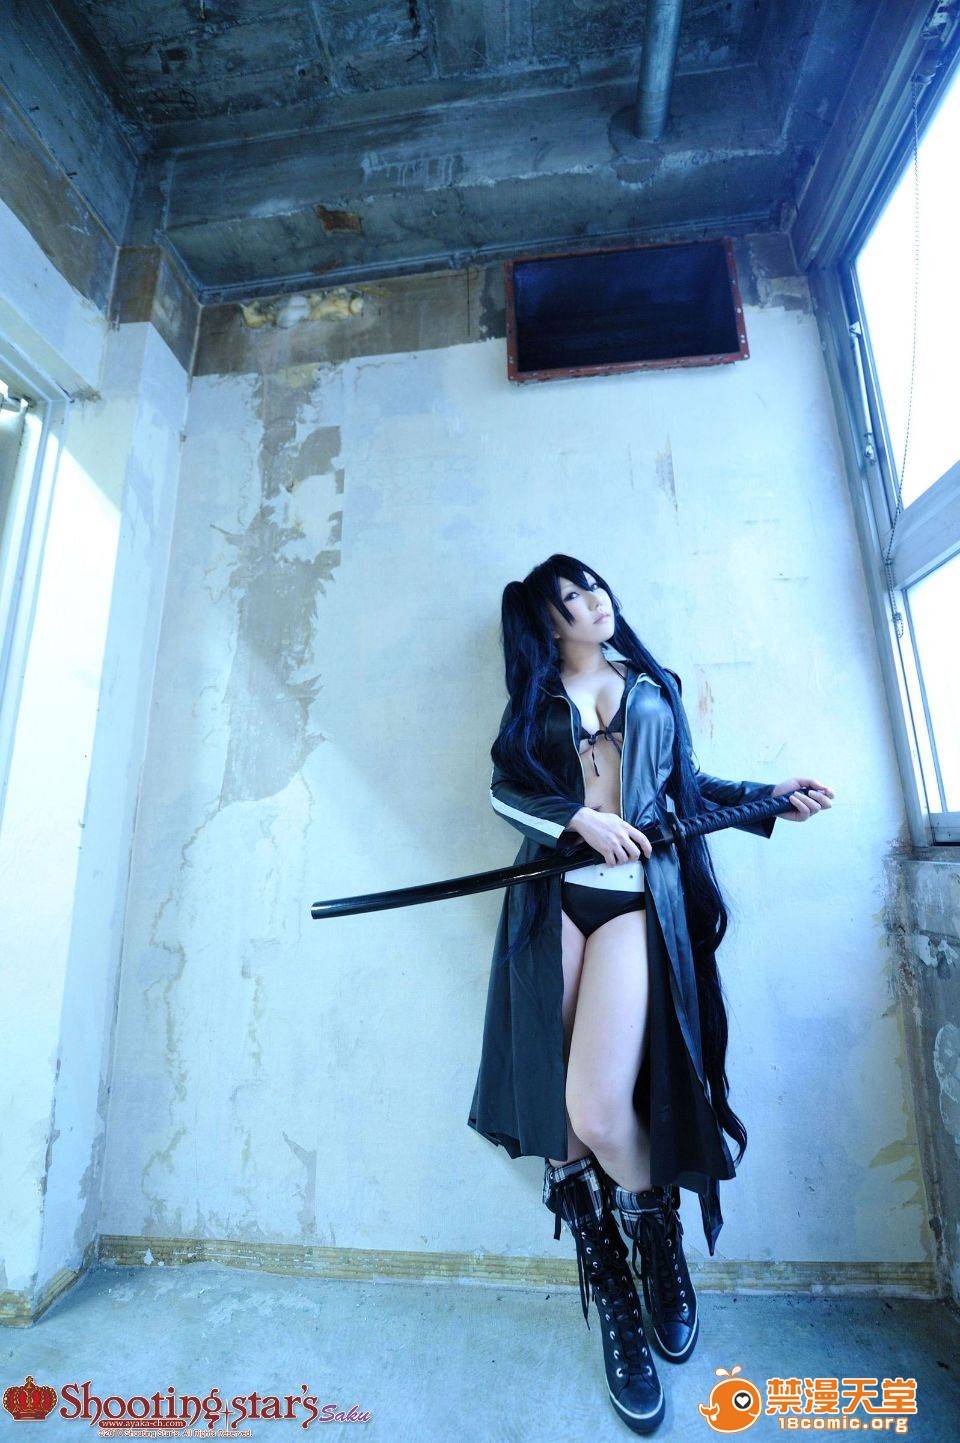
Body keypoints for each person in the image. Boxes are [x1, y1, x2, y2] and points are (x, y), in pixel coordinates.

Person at [467, 553, 833, 1435]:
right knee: (551, 1109)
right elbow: (504, 788)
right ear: (547, 620)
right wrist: (575, 818)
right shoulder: (533, 698)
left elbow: (688, 790)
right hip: (551, 898)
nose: (593, 602)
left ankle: (656, 1235)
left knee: (596, 1108)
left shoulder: (652, 685)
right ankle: (614, 1288)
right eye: (570, 598)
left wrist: (766, 797)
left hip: (634, 903)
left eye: (593, 587)